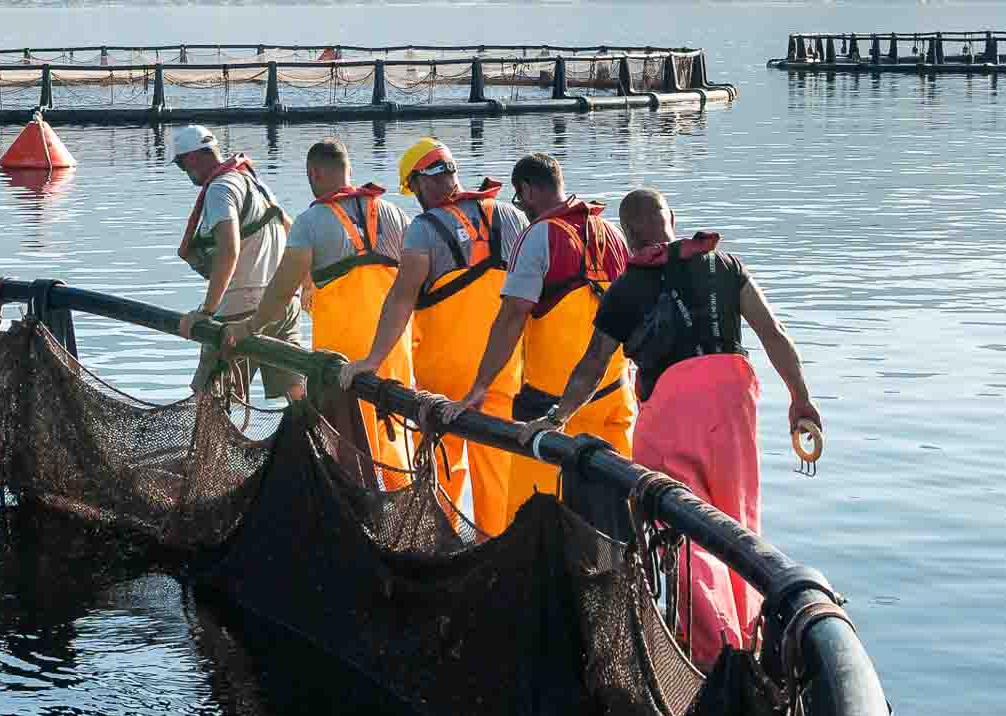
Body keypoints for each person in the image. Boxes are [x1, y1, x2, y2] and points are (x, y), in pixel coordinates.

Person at [525, 187, 823, 670]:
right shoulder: (725, 265)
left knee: (677, 522)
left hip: (670, 409)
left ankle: (710, 651)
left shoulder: (627, 288)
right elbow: (774, 334)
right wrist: (800, 399)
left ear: (627, 233)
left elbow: (593, 364)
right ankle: (748, 637)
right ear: (672, 220)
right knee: (736, 517)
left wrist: (557, 416)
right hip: (734, 400)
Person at [336, 137, 529, 535]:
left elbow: (401, 299)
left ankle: (440, 546)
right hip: (502, 373)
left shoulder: (423, 230)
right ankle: (498, 546)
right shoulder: (509, 216)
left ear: (420, 182)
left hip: (444, 381)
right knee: (499, 473)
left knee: (441, 473)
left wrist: (373, 360)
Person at [440, 152, 636, 527]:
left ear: (528, 191)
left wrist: (478, 388)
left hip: (551, 410)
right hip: (613, 397)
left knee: (534, 522)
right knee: (609, 522)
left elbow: (511, 318)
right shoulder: (610, 233)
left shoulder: (538, 236)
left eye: (519, 198)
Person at [223, 139, 415, 487]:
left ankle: (362, 508)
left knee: (349, 446)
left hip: (342, 360)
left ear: (313, 173)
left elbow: (282, 289)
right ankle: (401, 505)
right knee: (394, 433)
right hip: (393, 349)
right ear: (349, 170)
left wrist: (251, 326)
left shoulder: (310, 222)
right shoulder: (393, 213)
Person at [169, 124, 301, 403]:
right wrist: (305, 284)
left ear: (191, 158)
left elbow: (229, 250)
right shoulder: (252, 180)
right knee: (295, 392)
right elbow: (289, 227)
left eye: (181, 165)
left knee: (209, 395)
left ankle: (209, 434)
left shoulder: (219, 189)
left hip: (241, 308)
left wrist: (206, 311)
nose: (184, 172)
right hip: (283, 301)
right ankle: (315, 430)